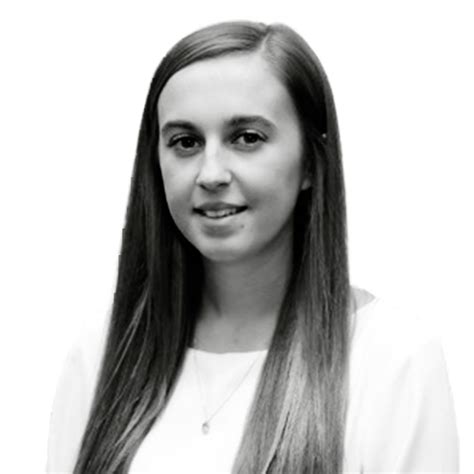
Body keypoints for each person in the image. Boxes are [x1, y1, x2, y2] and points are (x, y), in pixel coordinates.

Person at [47, 20, 459, 473]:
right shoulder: (103, 351)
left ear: (311, 162)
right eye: (185, 142)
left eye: (247, 138)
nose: (211, 174)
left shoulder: (392, 359)